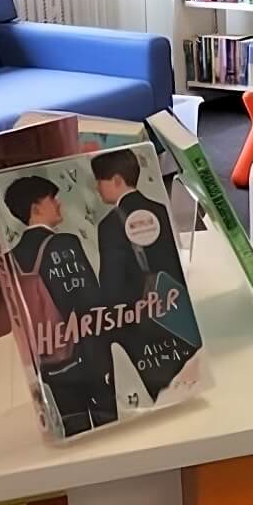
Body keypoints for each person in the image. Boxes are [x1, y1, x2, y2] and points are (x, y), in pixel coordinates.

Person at [3, 175, 116, 438]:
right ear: (36, 208)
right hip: (84, 357)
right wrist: (104, 359)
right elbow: (89, 305)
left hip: (47, 361)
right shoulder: (64, 244)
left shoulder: (10, 259)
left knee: (75, 431)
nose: (59, 205)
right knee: (108, 431)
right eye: (52, 199)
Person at [91, 149, 196, 401]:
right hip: (177, 312)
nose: (97, 187)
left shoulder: (109, 225)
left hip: (140, 322)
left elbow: (112, 285)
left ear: (116, 180)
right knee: (187, 383)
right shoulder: (160, 209)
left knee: (160, 393)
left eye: (99, 180)